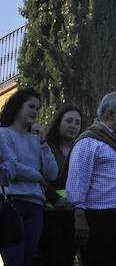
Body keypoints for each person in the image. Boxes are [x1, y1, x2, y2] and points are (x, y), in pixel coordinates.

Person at [65, 92, 116, 266]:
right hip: (100, 222)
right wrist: (80, 219)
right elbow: (76, 183)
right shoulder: (89, 142)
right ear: (110, 114)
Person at [0, 88, 58, 266]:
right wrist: (37, 177)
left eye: (37, 108)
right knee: (14, 260)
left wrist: (43, 140)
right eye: (31, 106)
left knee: (28, 259)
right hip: (12, 203)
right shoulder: (3, 134)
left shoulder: (36, 141)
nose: (34, 111)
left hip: (35, 206)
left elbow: (52, 173)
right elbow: (13, 166)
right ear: (18, 106)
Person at [35, 104, 83, 266]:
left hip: (73, 217)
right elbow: (36, 175)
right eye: (69, 121)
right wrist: (53, 197)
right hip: (47, 214)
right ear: (59, 122)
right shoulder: (45, 147)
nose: (73, 126)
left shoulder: (81, 150)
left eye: (77, 122)